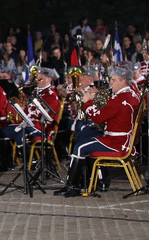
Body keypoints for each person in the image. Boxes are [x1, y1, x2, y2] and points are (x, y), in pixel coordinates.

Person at [55, 64, 140, 197]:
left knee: (79, 147)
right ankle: (92, 180)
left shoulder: (120, 99)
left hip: (116, 141)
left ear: (123, 81)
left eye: (113, 80)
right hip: (120, 137)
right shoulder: (129, 95)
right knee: (84, 134)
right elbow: (108, 114)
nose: (110, 83)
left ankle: (72, 186)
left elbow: (99, 117)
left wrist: (88, 102)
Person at [0, 67, 61, 170]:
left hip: (42, 127)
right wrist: (23, 109)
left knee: (20, 134)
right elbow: (30, 110)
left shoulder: (51, 94)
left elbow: (47, 115)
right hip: (29, 123)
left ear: (49, 79)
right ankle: (6, 163)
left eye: (40, 79)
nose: (37, 81)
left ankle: (30, 162)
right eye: (37, 78)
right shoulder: (35, 92)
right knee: (3, 131)